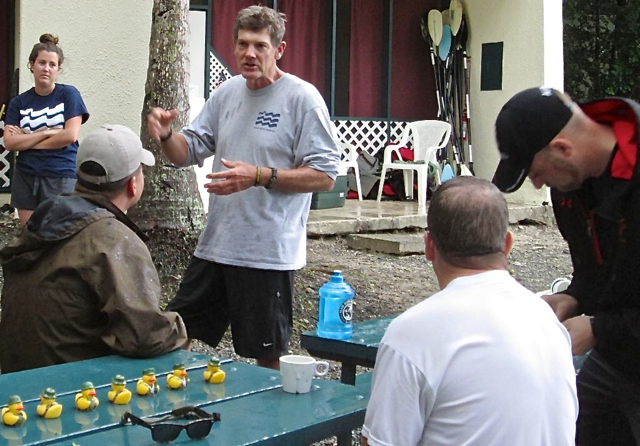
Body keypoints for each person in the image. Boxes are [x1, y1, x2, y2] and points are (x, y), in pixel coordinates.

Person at [147, 6, 340, 370]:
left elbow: (325, 175)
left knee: (265, 354)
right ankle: (170, 406)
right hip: (217, 246)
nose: (249, 53)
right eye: (242, 44)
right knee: (176, 333)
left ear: (278, 50)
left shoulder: (302, 99)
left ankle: (266, 424)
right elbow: (186, 152)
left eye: (260, 46)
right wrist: (167, 135)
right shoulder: (227, 93)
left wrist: (259, 176)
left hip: (267, 253)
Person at [361, 177, 578, 446]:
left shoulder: (412, 333)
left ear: (429, 246)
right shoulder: (547, 319)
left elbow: (382, 442)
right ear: (508, 244)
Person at [491, 86, 640, 445]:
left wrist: (599, 329)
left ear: (562, 148)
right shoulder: (571, 187)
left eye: (536, 172)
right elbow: (597, 274)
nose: (538, 183)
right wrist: (571, 299)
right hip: (616, 358)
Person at [0, 124, 187, 373]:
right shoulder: (114, 240)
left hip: (18, 381)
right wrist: (181, 330)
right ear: (133, 184)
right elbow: (145, 336)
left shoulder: (44, 219)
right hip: (72, 391)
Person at [3, 33, 90, 226]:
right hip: (26, 174)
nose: (46, 69)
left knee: (58, 233)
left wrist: (28, 140)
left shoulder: (69, 95)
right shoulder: (19, 102)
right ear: (32, 65)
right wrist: (46, 132)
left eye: (52, 65)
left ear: (58, 69)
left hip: (60, 174)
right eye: (42, 63)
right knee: (29, 235)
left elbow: (69, 135)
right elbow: (9, 142)